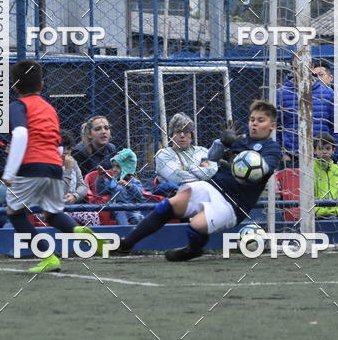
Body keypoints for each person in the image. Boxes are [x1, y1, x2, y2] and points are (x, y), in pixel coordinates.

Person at [112, 100, 281, 262]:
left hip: (233, 204)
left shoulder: (271, 148)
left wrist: (238, 165)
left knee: (197, 225)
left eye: (261, 120)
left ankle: (193, 250)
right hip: (212, 185)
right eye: (252, 119)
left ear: (272, 126)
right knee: (168, 206)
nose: (254, 124)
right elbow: (212, 158)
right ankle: (126, 244)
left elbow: (263, 169)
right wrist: (222, 142)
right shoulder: (241, 140)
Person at [3, 60, 103, 273]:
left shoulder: (18, 105)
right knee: (53, 213)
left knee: (15, 212)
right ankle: (78, 230)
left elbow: (20, 134)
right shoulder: (49, 108)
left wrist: (10, 172)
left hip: (31, 165)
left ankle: (47, 257)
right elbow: (58, 143)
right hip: (54, 166)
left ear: (15, 87)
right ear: (42, 85)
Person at [276, 54, 336, 167]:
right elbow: (275, 127)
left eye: (304, 67)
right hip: (292, 157)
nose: (300, 71)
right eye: (296, 68)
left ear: (312, 67)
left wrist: (334, 152)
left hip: (322, 156)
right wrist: (282, 154)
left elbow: (335, 126)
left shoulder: (328, 93)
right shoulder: (280, 94)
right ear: (292, 69)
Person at [154, 113, 218, 196]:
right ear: (171, 135)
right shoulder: (164, 154)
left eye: (186, 131)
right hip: (176, 198)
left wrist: (187, 168)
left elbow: (213, 172)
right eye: (178, 131)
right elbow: (176, 178)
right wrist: (203, 174)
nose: (182, 135)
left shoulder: (203, 151)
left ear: (192, 135)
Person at [98, 148, 145, 225]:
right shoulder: (113, 180)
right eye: (113, 166)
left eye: (118, 167)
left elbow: (139, 194)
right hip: (117, 208)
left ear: (127, 167)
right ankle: (124, 233)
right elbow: (101, 191)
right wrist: (100, 178)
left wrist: (129, 186)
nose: (114, 169)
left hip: (132, 209)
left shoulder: (134, 181)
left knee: (138, 218)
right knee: (121, 216)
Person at [313, 133, 338, 218]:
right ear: (314, 150)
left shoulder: (337, 169)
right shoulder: (310, 168)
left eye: (328, 148)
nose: (324, 151)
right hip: (319, 212)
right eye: (320, 149)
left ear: (333, 150)